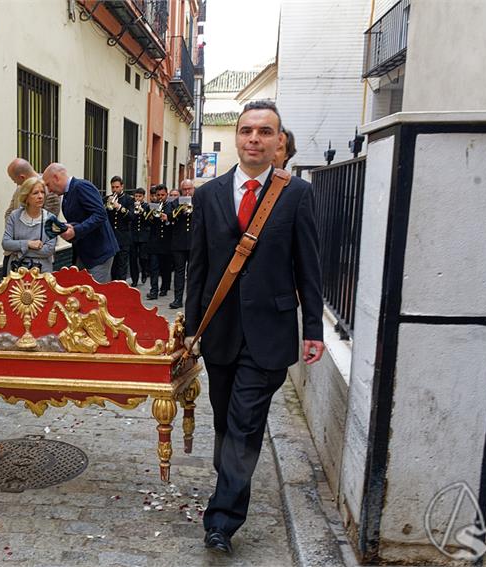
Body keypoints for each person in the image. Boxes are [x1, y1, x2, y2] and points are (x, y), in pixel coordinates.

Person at [185, 100, 324, 554]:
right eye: (247, 131)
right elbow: (199, 266)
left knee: (245, 425)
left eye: (265, 132)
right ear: (238, 137)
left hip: (270, 332)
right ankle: (230, 470)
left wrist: (315, 328)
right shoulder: (208, 195)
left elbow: (310, 266)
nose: (254, 139)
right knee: (225, 420)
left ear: (279, 141)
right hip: (220, 330)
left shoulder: (296, 194)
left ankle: (221, 520)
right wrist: (191, 327)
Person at [42, 163, 119, 283]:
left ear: (56, 178)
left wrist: (76, 230)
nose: (49, 190)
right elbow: (82, 220)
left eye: (48, 184)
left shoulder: (81, 186)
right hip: (85, 254)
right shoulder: (67, 195)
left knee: (96, 297)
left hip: (99, 254)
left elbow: (100, 214)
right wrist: (68, 228)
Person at [2, 176, 57, 273]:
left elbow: (49, 250)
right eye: (35, 193)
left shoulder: (50, 219)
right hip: (16, 271)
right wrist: (28, 243)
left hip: (42, 273)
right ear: (26, 197)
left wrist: (17, 249)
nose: (40, 196)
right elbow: (6, 243)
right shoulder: (15, 216)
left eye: (42, 192)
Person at [168, 179, 195, 309]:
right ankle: (177, 299)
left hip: (194, 242)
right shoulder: (175, 203)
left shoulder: (198, 202)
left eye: (189, 188)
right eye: (185, 189)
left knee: (193, 272)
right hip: (178, 243)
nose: (187, 191)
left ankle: (191, 299)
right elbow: (170, 217)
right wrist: (180, 209)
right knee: (179, 272)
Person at [144, 184, 173, 300]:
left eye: (162, 195)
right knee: (154, 268)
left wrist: (167, 219)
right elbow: (146, 223)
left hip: (166, 242)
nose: (160, 197)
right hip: (154, 242)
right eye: (158, 195)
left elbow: (173, 224)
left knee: (166, 268)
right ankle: (153, 290)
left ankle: (164, 288)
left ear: (167, 195)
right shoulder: (152, 206)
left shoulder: (170, 207)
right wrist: (150, 218)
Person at [105, 175, 135, 281]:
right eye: (113, 187)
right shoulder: (107, 199)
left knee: (122, 266)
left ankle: (121, 287)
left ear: (122, 186)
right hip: (111, 237)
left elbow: (132, 217)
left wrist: (119, 207)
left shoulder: (128, 200)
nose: (114, 190)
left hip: (124, 238)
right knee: (113, 266)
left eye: (117, 187)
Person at [128, 188, 150, 286]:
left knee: (143, 257)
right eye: (136, 196)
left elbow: (149, 220)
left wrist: (142, 211)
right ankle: (135, 279)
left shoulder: (146, 206)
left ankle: (144, 271)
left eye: (139, 196)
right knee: (133, 259)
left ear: (143, 197)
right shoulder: (131, 206)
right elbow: (130, 217)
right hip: (133, 235)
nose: (137, 198)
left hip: (143, 236)